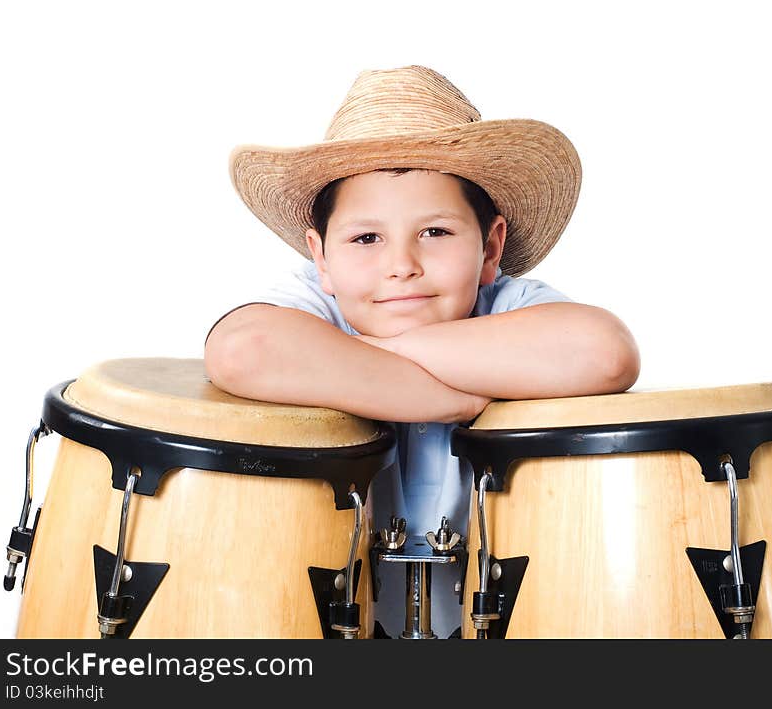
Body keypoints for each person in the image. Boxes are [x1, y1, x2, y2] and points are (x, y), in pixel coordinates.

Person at [204, 65, 640, 638]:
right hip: (334, 625)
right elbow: (244, 350)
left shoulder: (508, 303)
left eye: (435, 232)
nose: (401, 264)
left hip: (501, 623)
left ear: (490, 249)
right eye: (366, 238)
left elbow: (605, 353)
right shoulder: (308, 304)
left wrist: (374, 349)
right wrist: (454, 396)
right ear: (322, 258)